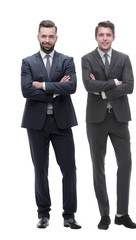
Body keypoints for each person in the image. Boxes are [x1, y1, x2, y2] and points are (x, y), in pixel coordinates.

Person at [21, 20, 81, 229]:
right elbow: (26, 90)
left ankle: (69, 215)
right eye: (44, 36)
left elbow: (72, 86)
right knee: (40, 169)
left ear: (56, 37)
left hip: (62, 122)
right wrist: (57, 89)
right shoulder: (28, 62)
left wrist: (43, 85)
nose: (47, 40)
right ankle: (43, 214)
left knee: (69, 169)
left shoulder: (67, 60)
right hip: (36, 124)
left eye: (51, 36)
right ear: (38, 37)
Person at [81, 20, 136, 230]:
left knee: (126, 164)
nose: (105, 38)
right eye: (101, 35)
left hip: (119, 118)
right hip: (96, 119)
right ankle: (104, 214)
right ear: (96, 37)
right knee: (98, 166)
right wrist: (115, 82)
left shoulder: (124, 58)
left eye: (108, 35)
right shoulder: (87, 59)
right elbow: (88, 85)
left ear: (114, 37)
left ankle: (122, 213)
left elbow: (130, 86)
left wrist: (103, 90)